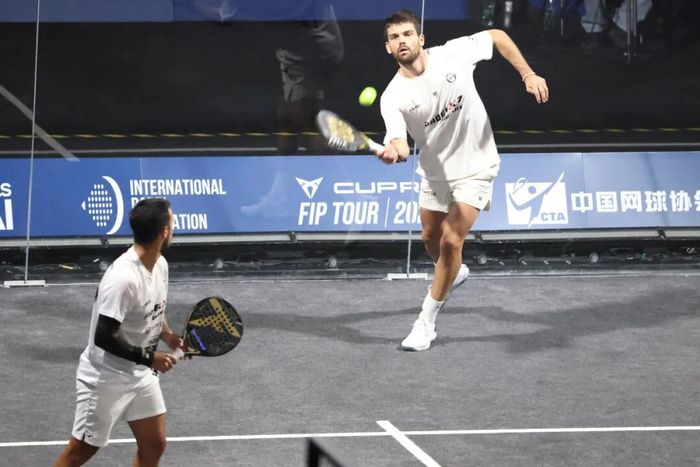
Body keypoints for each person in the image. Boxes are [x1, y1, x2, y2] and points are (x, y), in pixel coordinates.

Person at [376, 9, 548, 351]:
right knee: (430, 238)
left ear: (420, 38)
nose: (402, 41)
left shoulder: (452, 53)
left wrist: (527, 74)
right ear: (388, 48)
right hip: (436, 172)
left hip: (477, 164)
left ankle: (426, 322)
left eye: (407, 34)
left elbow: (497, 36)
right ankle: (454, 272)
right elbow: (401, 146)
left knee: (451, 241)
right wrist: (392, 151)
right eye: (394, 37)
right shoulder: (392, 97)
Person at [54, 198, 185, 466]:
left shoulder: (160, 265)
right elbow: (104, 336)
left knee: (154, 443)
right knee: (79, 453)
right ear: (164, 232)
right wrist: (151, 358)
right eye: (172, 221)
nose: (173, 225)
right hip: (105, 378)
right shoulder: (123, 278)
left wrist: (169, 337)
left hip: (139, 374)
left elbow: (152, 310)